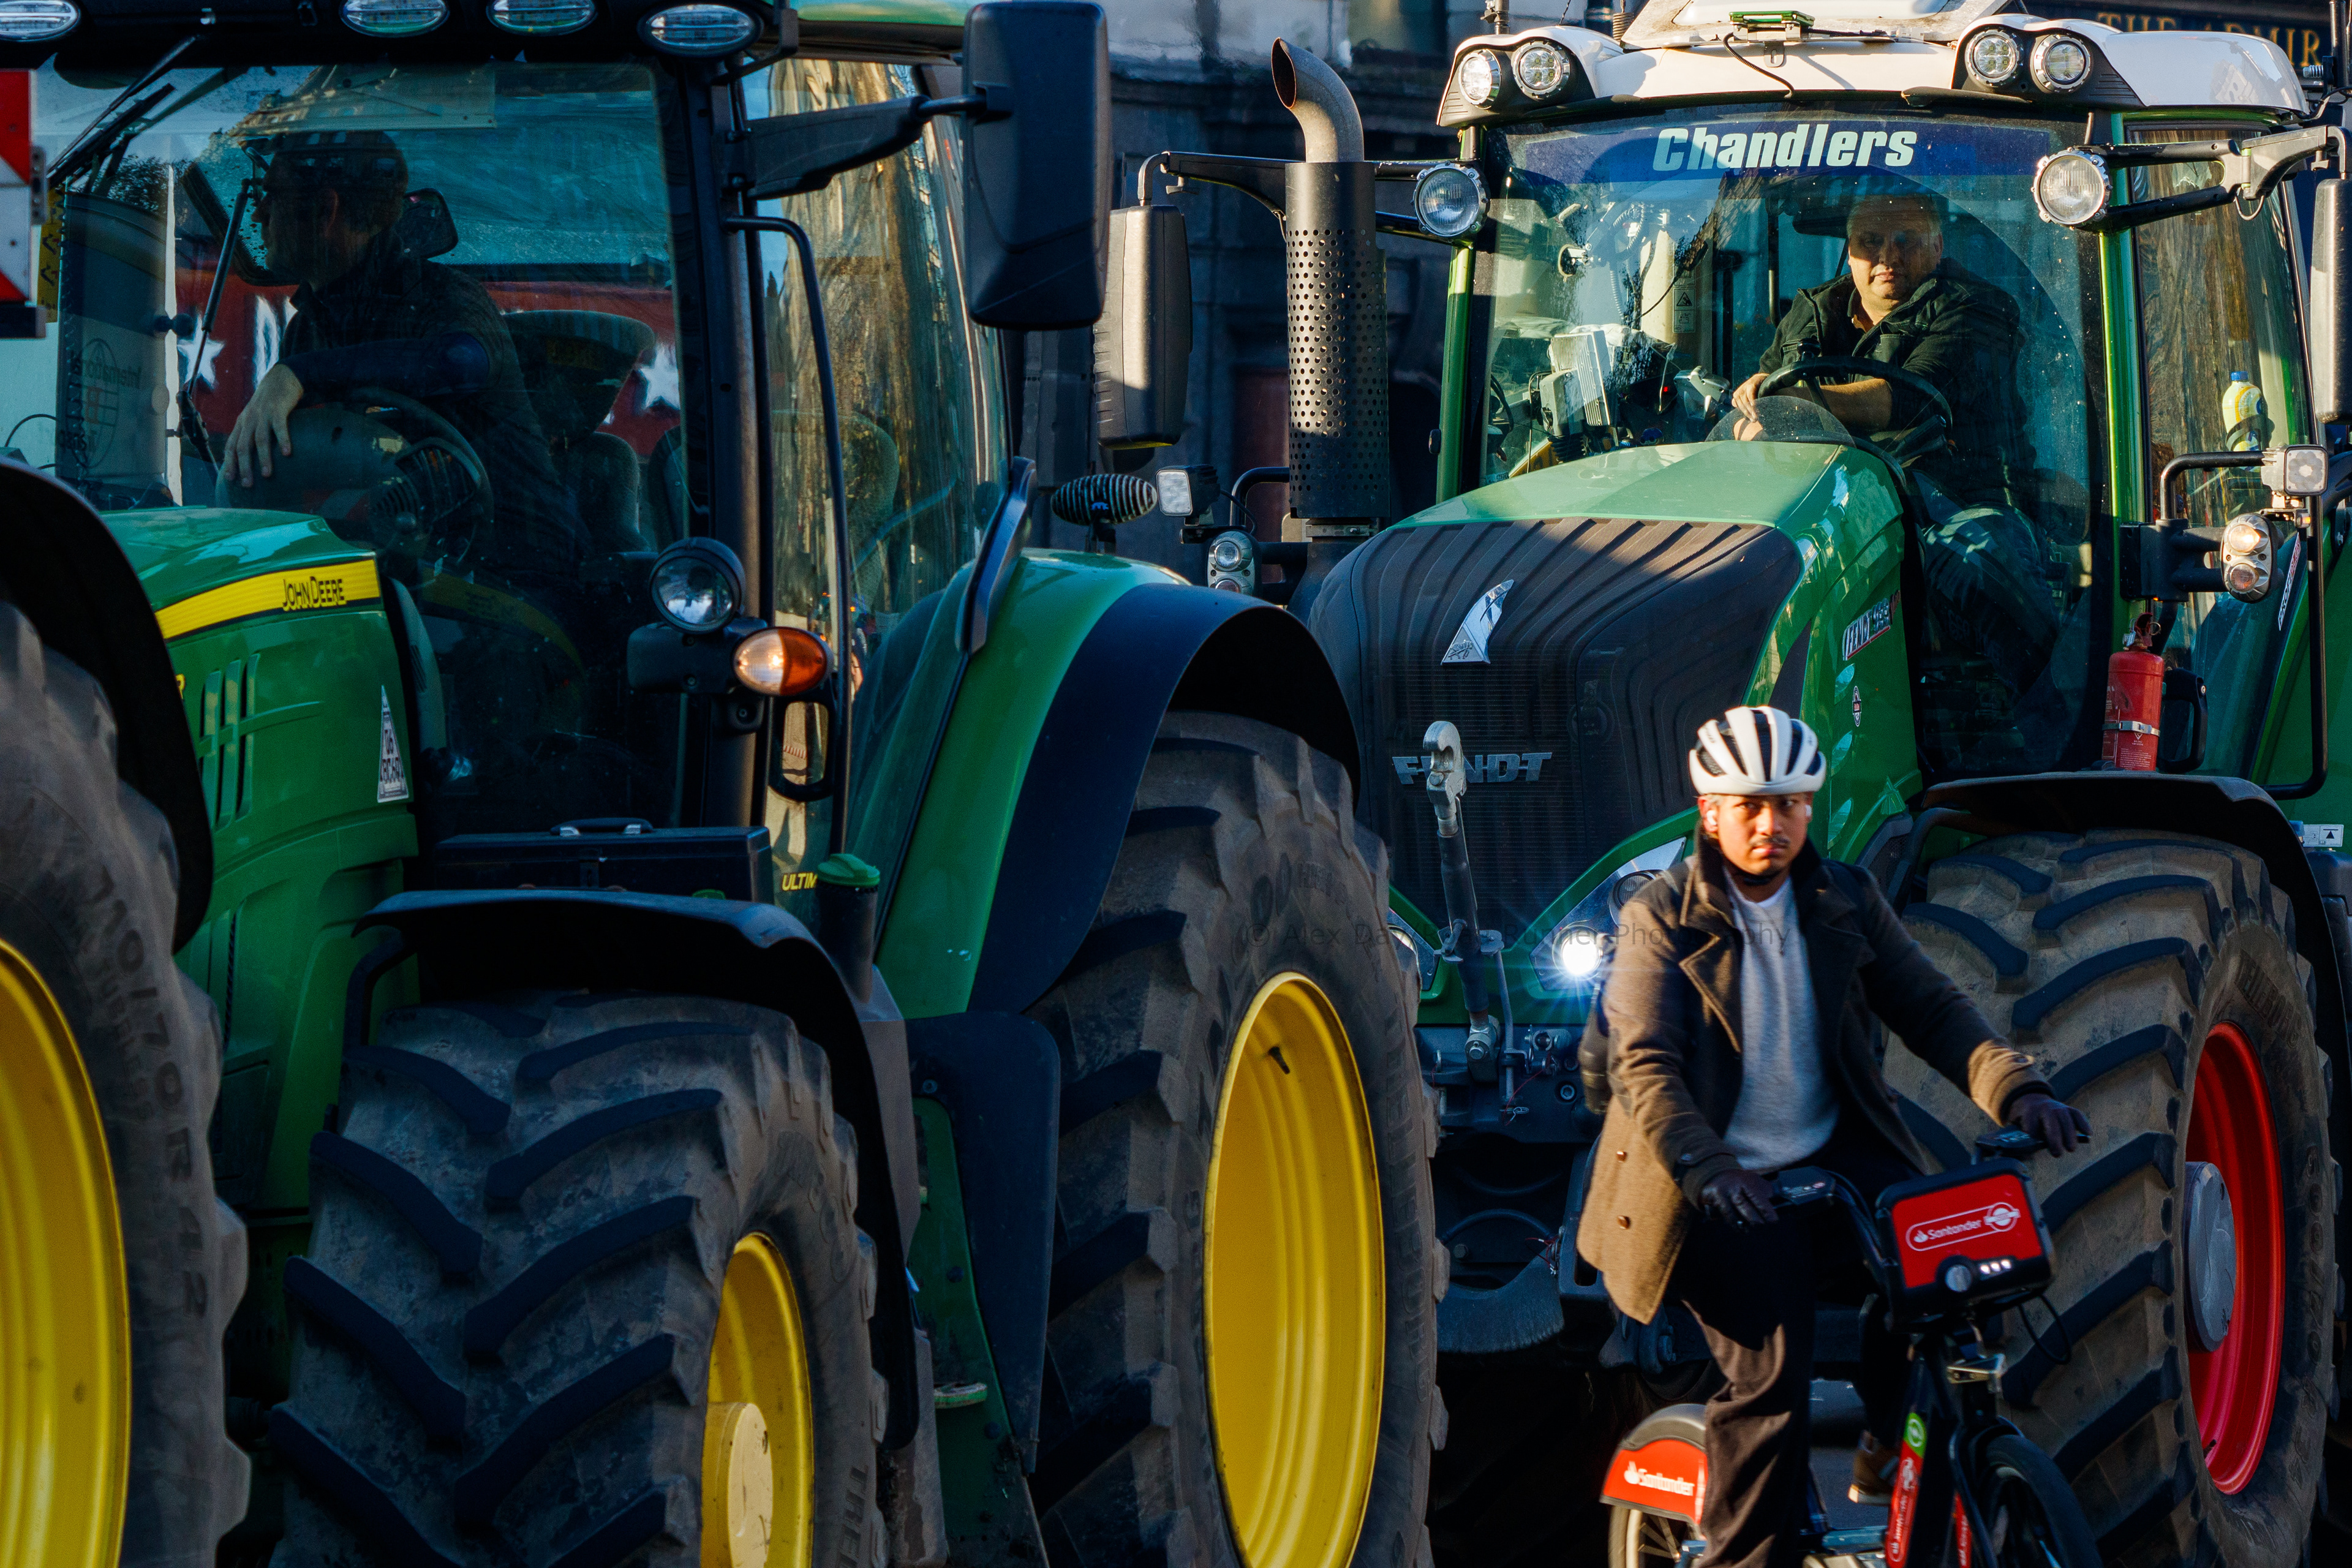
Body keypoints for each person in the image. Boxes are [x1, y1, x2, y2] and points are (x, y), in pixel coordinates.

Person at [1575, 705, 2089, 1568]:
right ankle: (1750, 1558)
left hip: (1830, 1155)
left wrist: (2017, 1088)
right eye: (1749, 806)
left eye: (1790, 804)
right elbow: (1646, 1068)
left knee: (1946, 1285)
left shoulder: (1844, 897)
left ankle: (1897, 1449)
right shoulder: (1659, 920)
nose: (1771, 824)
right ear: (1710, 812)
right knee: (1773, 1370)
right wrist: (1710, 1168)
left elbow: (1931, 1007)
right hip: (1708, 1184)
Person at [219, 130, 578, 574]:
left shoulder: (445, 299)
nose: (258, 214)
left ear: (327, 209)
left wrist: (301, 373)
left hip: (519, 578)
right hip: (398, 568)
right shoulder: (306, 330)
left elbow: (461, 361)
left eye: (271, 195)